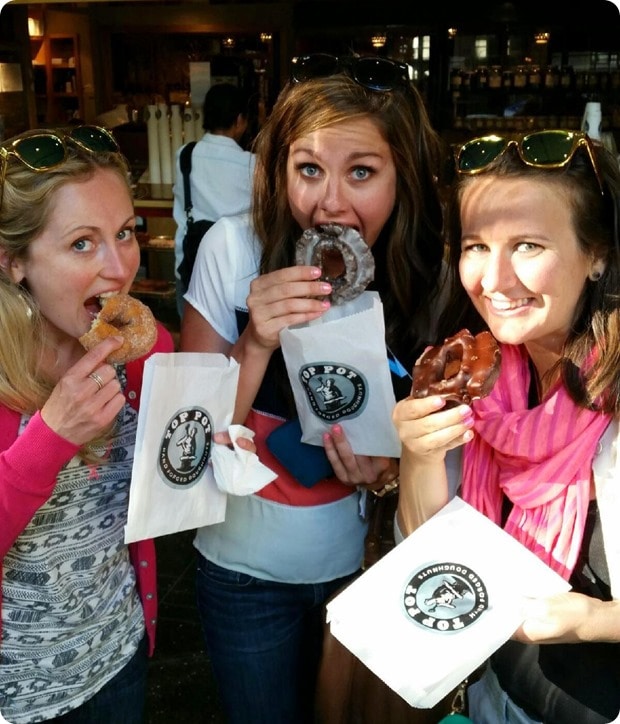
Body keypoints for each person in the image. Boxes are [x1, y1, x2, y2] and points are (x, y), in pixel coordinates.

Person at [180, 54, 446, 724]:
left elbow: (451, 454)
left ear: (402, 173)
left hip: (365, 566)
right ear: (279, 170)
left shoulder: (428, 277)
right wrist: (255, 342)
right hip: (243, 573)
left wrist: (392, 472)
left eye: (361, 172)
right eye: (308, 170)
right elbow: (183, 442)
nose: (330, 201)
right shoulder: (231, 250)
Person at [393, 129, 620, 724]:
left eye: (527, 245)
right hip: (493, 695)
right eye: (475, 245)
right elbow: (429, 553)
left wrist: (597, 620)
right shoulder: (478, 382)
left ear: (597, 254)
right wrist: (419, 455)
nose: (492, 280)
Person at [172, 82, 256, 316]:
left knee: (191, 333)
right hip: (238, 273)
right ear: (239, 120)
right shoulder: (253, 165)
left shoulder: (185, 155)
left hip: (190, 266)